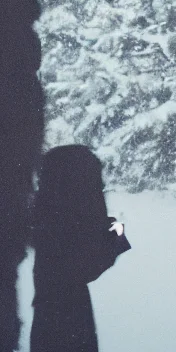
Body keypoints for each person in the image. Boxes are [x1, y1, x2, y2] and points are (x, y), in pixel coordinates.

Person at [30, 146, 131, 352]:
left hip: (52, 319)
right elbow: (85, 266)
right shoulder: (61, 220)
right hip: (68, 322)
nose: (100, 190)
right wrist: (116, 236)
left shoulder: (49, 211)